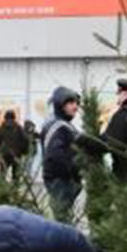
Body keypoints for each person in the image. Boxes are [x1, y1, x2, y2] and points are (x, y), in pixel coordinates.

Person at [40, 87, 84, 221]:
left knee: (65, 218)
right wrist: (73, 172)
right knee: (62, 220)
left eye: (76, 103)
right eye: (71, 103)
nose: (75, 107)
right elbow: (55, 156)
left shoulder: (65, 125)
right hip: (61, 181)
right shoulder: (58, 127)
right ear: (60, 105)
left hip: (65, 180)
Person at [99, 78, 127, 180]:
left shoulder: (124, 114)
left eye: (119, 92)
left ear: (126, 93)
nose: (117, 95)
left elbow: (111, 141)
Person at [0, 109, 30, 182]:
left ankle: (1, 190)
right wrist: (24, 152)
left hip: (4, 155)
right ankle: (15, 190)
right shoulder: (19, 128)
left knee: (2, 173)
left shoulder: (1, 128)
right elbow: (25, 140)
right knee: (16, 175)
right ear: (14, 117)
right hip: (16, 155)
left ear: (5, 117)